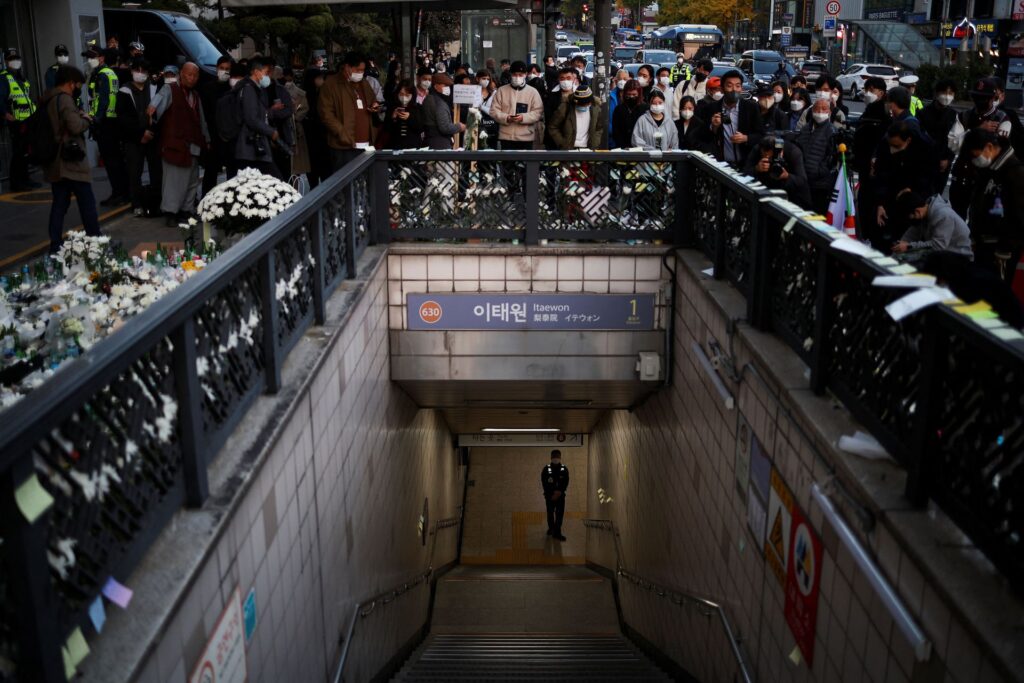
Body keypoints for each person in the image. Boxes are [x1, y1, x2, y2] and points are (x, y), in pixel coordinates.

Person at [42, 66, 101, 253]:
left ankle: (55, 245)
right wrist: (87, 120)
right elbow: (75, 126)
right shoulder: (65, 99)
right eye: (78, 84)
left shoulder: (49, 98)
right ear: (70, 83)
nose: (78, 88)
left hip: (56, 162)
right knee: (87, 203)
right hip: (71, 160)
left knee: (59, 205)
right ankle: (96, 241)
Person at [148, 62, 209, 226]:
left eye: (195, 75)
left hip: (193, 144)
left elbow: (202, 121)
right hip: (174, 144)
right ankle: (170, 213)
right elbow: (154, 109)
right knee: (173, 182)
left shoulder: (195, 95)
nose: (192, 78)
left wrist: (207, 140)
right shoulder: (169, 89)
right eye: (189, 74)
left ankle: (186, 210)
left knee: (192, 181)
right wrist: (150, 121)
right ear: (181, 74)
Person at [962, 129, 1024, 281]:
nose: (975, 161)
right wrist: (974, 235)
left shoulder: (1015, 173)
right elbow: (977, 203)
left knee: (996, 288)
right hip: (982, 243)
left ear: (989, 147)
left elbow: (1019, 215)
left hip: (1001, 249)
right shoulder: (986, 169)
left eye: (976, 156)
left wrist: (1006, 248)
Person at [948, 78, 1013, 219]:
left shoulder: (1002, 119)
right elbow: (953, 144)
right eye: (976, 97)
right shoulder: (964, 116)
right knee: (956, 217)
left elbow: (996, 151)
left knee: (979, 219)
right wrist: (977, 130)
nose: (979, 101)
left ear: (993, 98)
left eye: (984, 98)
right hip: (961, 177)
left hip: (985, 180)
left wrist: (967, 139)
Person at [873, 121, 940, 247]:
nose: (892, 149)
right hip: (892, 193)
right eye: (891, 145)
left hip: (915, 196)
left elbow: (929, 177)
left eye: (896, 146)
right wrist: (880, 203)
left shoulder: (925, 148)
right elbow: (881, 174)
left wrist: (911, 189)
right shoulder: (885, 144)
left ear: (908, 140)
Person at [116, 57, 162, 217]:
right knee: (134, 173)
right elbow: (123, 118)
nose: (140, 73)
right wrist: (140, 134)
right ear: (131, 71)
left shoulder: (154, 88)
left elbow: (159, 113)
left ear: (148, 73)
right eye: (137, 70)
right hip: (133, 139)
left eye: (143, 71)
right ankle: (136, 204)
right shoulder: (124, 91)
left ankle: (156, 203)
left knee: (156, 171)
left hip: (153, 137)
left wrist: (150, 131)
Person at [320, 52, 380, 171]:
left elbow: (373, 100)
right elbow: (326, 114)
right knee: (346, 179)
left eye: (363, 70)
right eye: (358, 70)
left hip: (366, 143)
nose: (360, 73)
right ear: (347, 66)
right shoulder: (331, 84)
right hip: (344, 145)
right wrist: (341, 133)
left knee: (367, 179)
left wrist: (375, 105)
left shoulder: (364, 83)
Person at [86, 47, 130, 206]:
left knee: (112, 161)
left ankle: (119, 193)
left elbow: (102, 100)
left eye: (93, 57)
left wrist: (96, 119)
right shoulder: (106, 73)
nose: (89, 60)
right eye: (88, 57)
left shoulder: (103, 75)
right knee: (115, 160)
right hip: (110, 121)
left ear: (102, 58)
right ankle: (124, 193)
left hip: (106, 123)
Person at [891, 191, 973, 261]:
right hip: (943, 254)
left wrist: (909, 246)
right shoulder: (922, 214)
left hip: (959, 257)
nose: (910, 220)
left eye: (910, 217)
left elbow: (938, 246)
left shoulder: (944, 216)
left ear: (917, 211)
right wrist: (895, 253)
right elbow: (910, 236)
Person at [234, 60, 281, 178]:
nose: (268, 76)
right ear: (256, 72)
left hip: (253, 146)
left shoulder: (255, 89)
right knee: (275, 180)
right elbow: (252, 119)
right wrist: (271, 132)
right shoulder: (249, 89)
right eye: (266, 72)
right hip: (251, 147)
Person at [0, 47, 38, 191]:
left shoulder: (20, 77)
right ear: (6, 61)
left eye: (16, 59)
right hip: (16, 121)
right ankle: (16, 183)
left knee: (25, 152)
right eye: (11, 59)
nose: (15, 61)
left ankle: (26, 179)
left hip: (27, 119)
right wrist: (5, 114)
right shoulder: (4, 77)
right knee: (18, 153)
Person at [707, 69, 761, 167]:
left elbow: (761, 134)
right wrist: (714, 127)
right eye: (729, 86)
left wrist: (746, 138)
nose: (734, 89)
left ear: (741, 88)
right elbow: (703, 137)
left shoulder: (751, 108)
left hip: (745, 165)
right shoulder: (712, 108)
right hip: (720, 165)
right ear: (722, 89)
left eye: (737, 86)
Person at [792, 97, 837, 214]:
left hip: (820, 184)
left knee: (816, 215)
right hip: (803, 180)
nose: (820, 112)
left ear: (829, 112)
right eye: (817, 108)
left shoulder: (831, 131)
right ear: (812, 111)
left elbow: (831, 158)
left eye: (824, 109)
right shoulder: (805, 128)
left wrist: (818, 172)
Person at [743, 135, 811, 209]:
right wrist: (756, 168)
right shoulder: (757, 149)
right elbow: (745, 173)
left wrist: (787, 176)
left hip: (792, 196)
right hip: (766, 192)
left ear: (779, 152)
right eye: (764, 155)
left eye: (770, 157)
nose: (767, 159)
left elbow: (802, 181)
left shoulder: (793, 152)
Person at [490, 61, 543, 150]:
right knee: (507, 159)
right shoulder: (501, 91)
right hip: (506, 137)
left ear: (525, 75)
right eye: (515, 74)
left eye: (520, 75)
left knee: (525, 159)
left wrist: (523, 117)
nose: (517, 77)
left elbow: (538, 112)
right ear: (510, 75)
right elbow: (493, 111)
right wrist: (506, 118)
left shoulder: (533, 92)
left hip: (526, 137)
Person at [917, 78, 958, 188]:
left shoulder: (954, 116)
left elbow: (955, 140)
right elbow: (919, 137)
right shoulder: (923, 113)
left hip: (943, 165)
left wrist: (948, 160)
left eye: (950, 93)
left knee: (937, 194)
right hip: (924, 163)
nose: (947, 96)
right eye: (944, 92)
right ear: (936, 93)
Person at [302, 67, 330, 186]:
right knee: (315, 168)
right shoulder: (305, 96)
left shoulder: (321, 94)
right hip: (312, 137)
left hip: (320, 137)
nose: (322, 81)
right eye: (319, 78)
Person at [549, 85, 602, 150]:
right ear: (576, 101)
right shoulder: (565, 107)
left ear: (590, 102)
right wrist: (562, 143)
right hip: (569, 149)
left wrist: (595, 143)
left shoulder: (596, 109)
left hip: (588, 149)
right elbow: (553, 127)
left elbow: (599, 128)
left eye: (586, 104)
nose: (583, 106)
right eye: (581, 104)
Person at [420, 72, 464, 149]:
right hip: (440, 144)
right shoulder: (439, 102)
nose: (447, 88)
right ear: (436, 86)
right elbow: (445, 127)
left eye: (448, 86)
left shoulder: (429, 98)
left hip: (429, 141)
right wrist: (459, 127)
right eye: (445, 85)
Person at [385, 79, 423, 149]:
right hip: (395, 146)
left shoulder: (417, 108)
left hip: (413, 146)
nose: (404, 97)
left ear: (412, 95)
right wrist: (393, 117)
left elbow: (421, 128)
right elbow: (387, 129)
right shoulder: (392, 107)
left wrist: (410, 118)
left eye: (407, 95)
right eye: (401, 94)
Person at [545, 67, 577, 150]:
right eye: (562, 78)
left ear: (574, 79)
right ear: (558, 80)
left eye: (568, 78)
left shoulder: (579, 94)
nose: (565, 81)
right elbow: (548, 117)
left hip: (575, 137)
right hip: (554, 138)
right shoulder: (550, 95)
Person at [541, 450, 569, 541]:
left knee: (559, 515)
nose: (555, 458)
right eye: (554, 456)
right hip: (549, 496)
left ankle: (557, 533)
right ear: (551, 457)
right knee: (550, 514)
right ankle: (551, 528)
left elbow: (566, 482)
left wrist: (559, 492)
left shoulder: (564, 469)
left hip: (560, 496)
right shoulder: (546, 469)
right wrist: (551, 494)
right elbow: (544, 483)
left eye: (557, 456)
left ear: (560, 457)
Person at [611, 79, 647, 149]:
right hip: (623, 147)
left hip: (641, 147)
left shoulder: (645, 108)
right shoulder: (619, 109)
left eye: (634, 95)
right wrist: (622, 146)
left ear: (639, 94)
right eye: (628, 94)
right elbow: (616, 131)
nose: (631, 97)